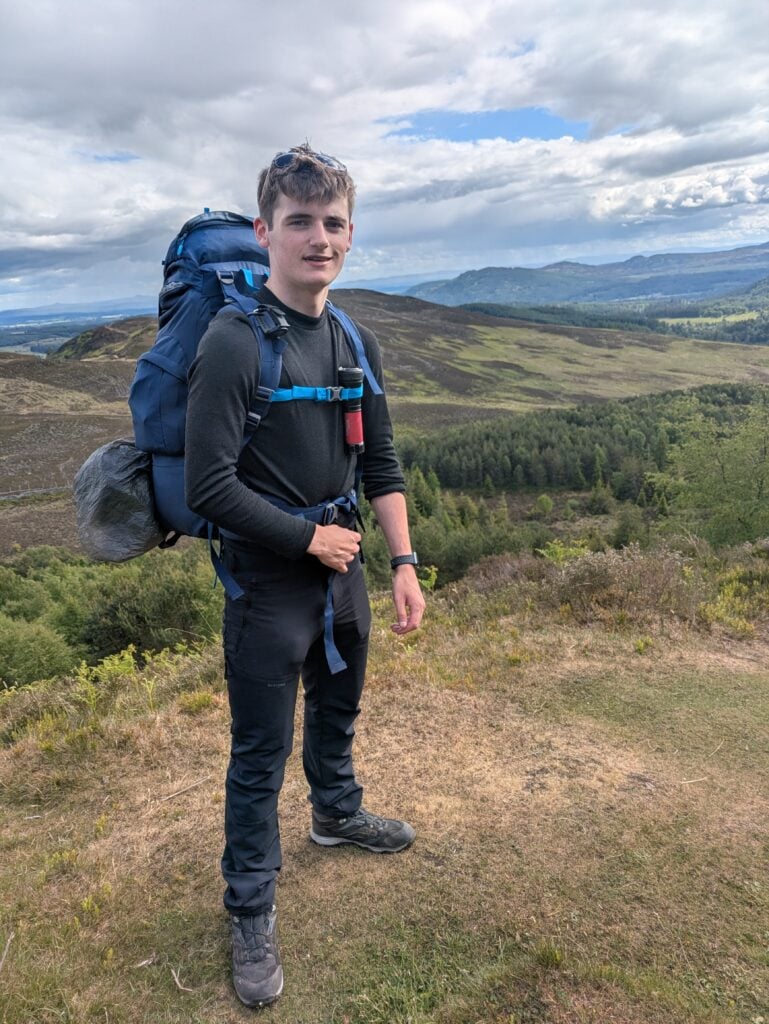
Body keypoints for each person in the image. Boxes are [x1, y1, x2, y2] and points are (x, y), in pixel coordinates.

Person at [184, 144, 425, 1008]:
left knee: (340, 704)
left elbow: (383, 463)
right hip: (267, 580)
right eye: (298, 223)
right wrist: (305, 541)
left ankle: (335, 814)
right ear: (265, 233)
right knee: (258, 754)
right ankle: (249, 909)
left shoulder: (353, 336)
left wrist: (401, 563)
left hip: (348, 567)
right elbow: (206, 485)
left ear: (349, 234)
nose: (316, 238)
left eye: (331, 224)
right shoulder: (231, 342)